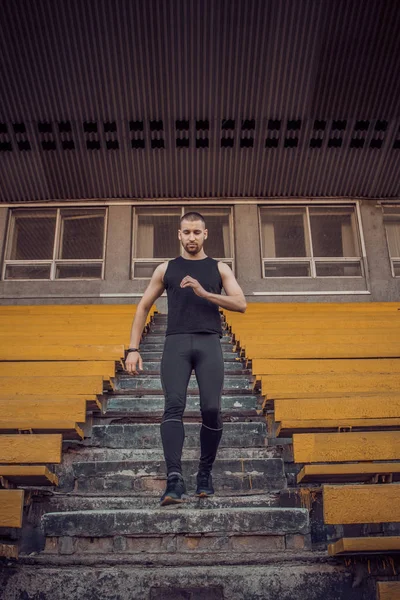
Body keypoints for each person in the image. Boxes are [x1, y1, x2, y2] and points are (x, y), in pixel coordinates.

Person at [125, 211, 247, 506]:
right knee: (173, 406)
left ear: (206, 234)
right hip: (176, 344)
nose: (191, 237)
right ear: (179, 235)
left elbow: (241, 303)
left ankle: (204, 474)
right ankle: (174, 479)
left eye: (197, 232)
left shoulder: (220, 268)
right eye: (186, 232)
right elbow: (143, 306)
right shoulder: (165, 269)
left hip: (208, 342)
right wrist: (132, 348)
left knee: (211, 408)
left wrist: (205, 293)